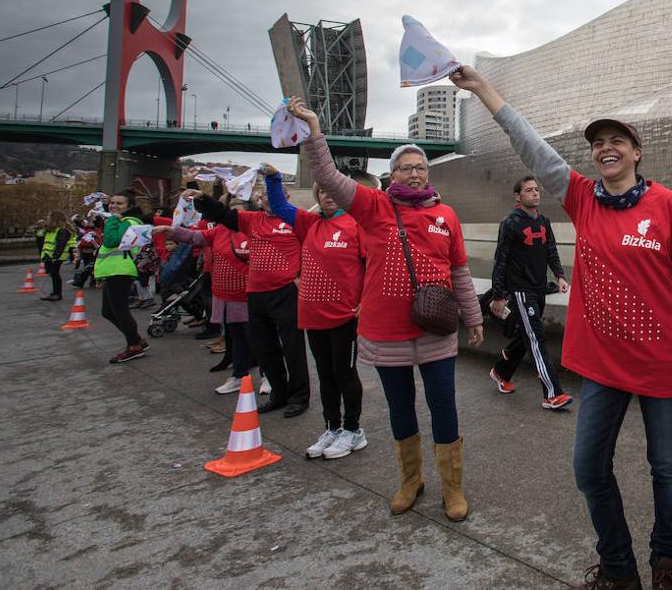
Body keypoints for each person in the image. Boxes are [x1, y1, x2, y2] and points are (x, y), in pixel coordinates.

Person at [452, 65, 672, 590]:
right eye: (598, 143)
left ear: (637, 152)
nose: (606, 148)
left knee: (667, 469)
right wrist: (483, 89)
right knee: (588, 469)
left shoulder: (668, 208)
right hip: (601, 366)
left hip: (662, 362)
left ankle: (665, 564)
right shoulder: (580, 198)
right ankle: (620, 568)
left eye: (617, 141)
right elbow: (530, 146)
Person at [289, 97, 484, 520]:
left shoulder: (446, 215)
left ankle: (453, 488)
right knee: (400, 408)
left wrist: (474, 316)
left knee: (444, 406)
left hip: (435, 328)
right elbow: (328, 176)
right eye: (406, 167)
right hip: (386, 331)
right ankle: (410, 481)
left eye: (421, 167)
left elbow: (460, 271)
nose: (415, 173)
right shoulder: (373, 207)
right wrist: (314, 129)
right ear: (391, 174)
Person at [262, 162, 373, 460]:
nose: (328, 195)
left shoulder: (356, 225)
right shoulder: (309, 224)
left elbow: (374, 265)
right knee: (324, 375)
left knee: (344, 373)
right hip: (312, 315)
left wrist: (367, 299)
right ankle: (332, 427)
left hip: (344, 316)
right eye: (322, 190)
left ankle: (353, 430)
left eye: (333, 189)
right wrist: (273, 178)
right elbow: (278, 206)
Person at [193, 182, 310, 419]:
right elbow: (223, 215)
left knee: (293, 348)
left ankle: (299, 397)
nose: (267, 200)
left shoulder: (296, 220)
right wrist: (203, 198)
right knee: (265, 348)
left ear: (284, 196)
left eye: (272, 196)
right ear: (258, 200)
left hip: (285, 292)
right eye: (263, 196)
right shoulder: (251, 220)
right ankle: (279, 393)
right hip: (255, 294)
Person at [488, 175, 573, 410]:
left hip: (539, 289)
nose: (535, 193)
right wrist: (498, 294)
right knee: (536, 339)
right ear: (518, 196)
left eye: (537, 189)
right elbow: (500, 261)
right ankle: (552, 393)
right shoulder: (510, 223)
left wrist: (560, 275)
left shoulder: (543, 221)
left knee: (526, 338)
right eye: (529, 190)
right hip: (521, 292)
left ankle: (500, 371)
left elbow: (551, 249)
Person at [155, 199, 256, 394]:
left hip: (251, 296)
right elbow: (195, 237)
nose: (232, 216)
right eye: (230, 211)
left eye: (238, 212)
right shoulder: (218, 231)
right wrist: (172, 232)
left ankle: (270, 376)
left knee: (257, 338)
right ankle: (238, 375)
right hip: (226, 295)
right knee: (237, 338)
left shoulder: (254, 232)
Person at [94, 189, 149, 364]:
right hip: (112, 270)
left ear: (130, 206)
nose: (114, 206)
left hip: (120, 270)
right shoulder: (121, 220)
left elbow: (111, 241)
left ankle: (133, 346)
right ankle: (137, 340)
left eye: (119, 203)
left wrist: (111, 220)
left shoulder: (129, 221)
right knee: (108, 312)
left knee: (120, 311)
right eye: (112, 203)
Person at [37, 210, 72, 301]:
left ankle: (57, 294)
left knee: (55, 274)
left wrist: (55, 257)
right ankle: (55, 293)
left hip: (56, 257)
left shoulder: (62, 231)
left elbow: (61, 244)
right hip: (50, 255)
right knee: (53, 274)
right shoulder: (52, 230)